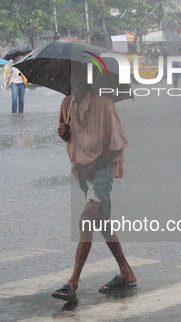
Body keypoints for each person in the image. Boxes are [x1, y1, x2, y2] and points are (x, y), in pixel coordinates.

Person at [51, 64, 137, 303]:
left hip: (103, 167)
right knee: (100, 220)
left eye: (80, 75)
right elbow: (72, 139)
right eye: (72, 76)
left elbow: (118, 145)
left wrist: (94, 166)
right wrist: (64, 133)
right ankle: (126, 271)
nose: (75, 80)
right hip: (82, 169)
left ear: (90, 79)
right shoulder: (67, 105)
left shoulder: (104, 105)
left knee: (86, 218)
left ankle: (72, 283)